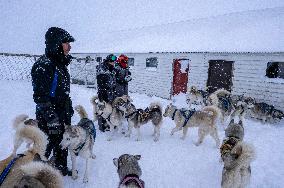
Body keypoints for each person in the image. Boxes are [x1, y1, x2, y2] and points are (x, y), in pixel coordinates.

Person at [31, 27, 75, 176]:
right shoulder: (44, 65)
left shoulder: (60, 64)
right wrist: (51, 118)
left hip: (62, 114)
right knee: (44, 148)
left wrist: (68, 109)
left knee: (61, 144)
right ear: (56, 43)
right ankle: (35, 176)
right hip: (49, 119)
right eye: (66, 43)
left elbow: (60, 93)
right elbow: (40, 97)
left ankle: (60, 169)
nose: (69, 46)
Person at [96, 54, 117, 132]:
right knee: (102, 110)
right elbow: (100, 83)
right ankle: (102, 126)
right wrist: (104, 93)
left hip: (111, 93)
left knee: (110, 109)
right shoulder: (102, 68)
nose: (114, 62)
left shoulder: (112, 68)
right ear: (108, 61)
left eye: (114, 61)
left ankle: (109, 124)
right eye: (112, 61)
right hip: (103, 93)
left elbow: (113, 80)